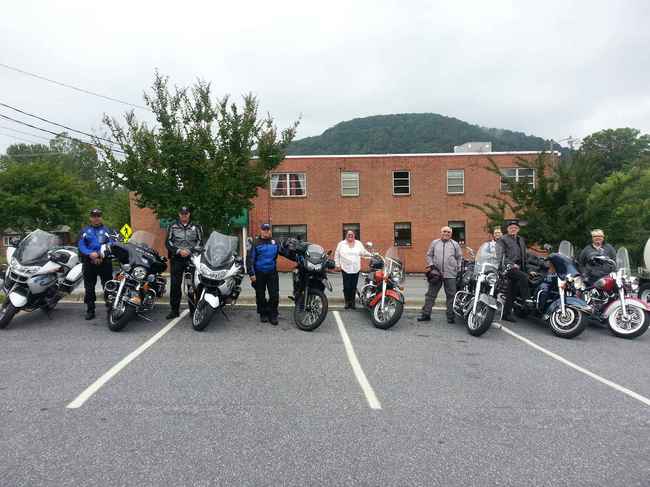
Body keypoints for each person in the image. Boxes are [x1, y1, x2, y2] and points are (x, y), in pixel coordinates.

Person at [418, 226, 462, 324]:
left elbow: (459, 257)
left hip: (450, 274)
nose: (446, 233)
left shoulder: (455, 244)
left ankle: (450, 316)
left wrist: (458, 268)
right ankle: (426, 314)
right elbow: (429, 255)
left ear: (451, 234)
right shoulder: (435, 243)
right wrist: (431, 265)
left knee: (451, 296)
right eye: (444, 231)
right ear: (441, 233)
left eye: (448, 232)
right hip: (436, 274)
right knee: (430, 295)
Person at [165, 207, 203, 319]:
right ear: (179, 214)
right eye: (182, 214)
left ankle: (193, 310)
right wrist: (178, 251)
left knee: (192, 285)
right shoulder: (172, 226)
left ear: (189, 214)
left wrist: (190, 251)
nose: (184, 215)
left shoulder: (196, 226)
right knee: (175, 285)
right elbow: (168, 242)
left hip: (191, 259)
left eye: (186, 213)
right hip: (177, 259)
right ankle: (174, 311)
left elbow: (200, 242)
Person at [78, 208, 115, 320]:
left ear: (101, 217)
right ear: (90, 218)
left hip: (105, 262)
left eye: (98, 216)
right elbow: (81, 245)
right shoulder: (84, 230)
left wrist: (100, 254)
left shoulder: (108, 230)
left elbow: (112, 243)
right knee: (89, 288)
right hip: (89, 262)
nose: (96, 218)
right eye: (94, 216)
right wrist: (90, 254)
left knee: (108, 286)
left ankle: (110, 309)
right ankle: (90, 310)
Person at [246, 223, 280, 325]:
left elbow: (277, 255)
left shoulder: (275, 242)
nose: (266, 232)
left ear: (270, 231)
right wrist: (251, 274)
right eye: (264, 230)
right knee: (260, 295)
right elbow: (250, 259)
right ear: (261, 231)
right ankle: (263, 313)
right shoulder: (255, 243)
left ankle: (272, 314)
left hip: (272, 273)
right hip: (259, 273)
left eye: (268, 230)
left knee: (274, 295)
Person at [497, 219, 530, 322]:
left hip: (520, 267)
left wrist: (528, 269)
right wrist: (511, 264)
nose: (513, 229)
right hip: (508, 267)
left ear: (518, 229)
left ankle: (506, 314)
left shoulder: (521, 239)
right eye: (511, 228)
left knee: (512, 291)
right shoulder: (502, 239)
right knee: (523, 277)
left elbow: (525, 256)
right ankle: (527, 301)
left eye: (515, 228)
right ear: (507, 229)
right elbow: (500, 255)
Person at [334, 230, 371, 309]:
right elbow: (337, 255)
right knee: (346, 286)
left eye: (352, 234)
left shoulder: (358, 243)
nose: (350, 235)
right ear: (346, 235)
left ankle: (353, 302)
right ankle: (347, 302)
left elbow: (363, 252)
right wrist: (337, 265)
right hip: (345, 268)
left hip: (355, 268)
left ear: (354, 235)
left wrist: (371, 255)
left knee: (353, 286)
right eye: (349, 234)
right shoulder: (341, 244)